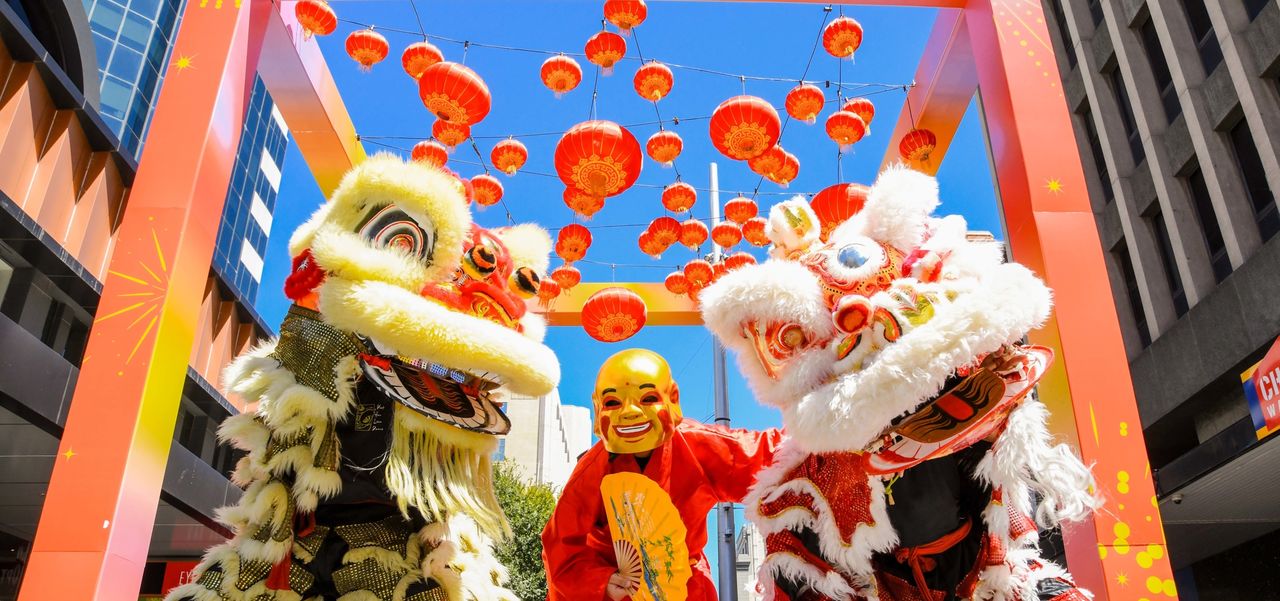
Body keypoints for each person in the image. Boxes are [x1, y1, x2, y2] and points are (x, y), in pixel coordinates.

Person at [542, 349, 783, 601]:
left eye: (647, 398)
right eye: (613, 402)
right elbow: (559, 545)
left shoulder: (696, 445)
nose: (629, 413)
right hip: (621, 589)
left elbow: (769, 455)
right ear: (597, 407)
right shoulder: (593, 469)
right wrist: (600, 582)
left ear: (673, 398)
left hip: (687, 586)